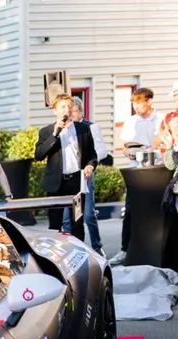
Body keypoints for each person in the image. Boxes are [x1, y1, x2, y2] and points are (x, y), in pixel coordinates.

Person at [112, 87, 167, 264]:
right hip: (136, 171)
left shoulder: (161, 119)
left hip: (158, 171)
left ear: (149, 101)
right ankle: (124, 249)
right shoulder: (131, 121)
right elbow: (125, 147)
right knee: (130, 210)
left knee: (159, 212)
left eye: (139, 102)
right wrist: (130, 153)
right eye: (134, 103)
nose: (136, 107)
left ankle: (162, 251)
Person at [35, 94, 98, 239]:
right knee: (55, 224)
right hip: (56, 182)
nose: (67, 110)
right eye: (63, 107)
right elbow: (39, 155)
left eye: (69, 106)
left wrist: (90, 166)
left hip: (76, 181)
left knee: (77, 222)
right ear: (55, 110)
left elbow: (92, 155)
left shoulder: (82, 129)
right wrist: (55, 134)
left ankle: (80, 255)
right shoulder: (46, 131)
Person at [63, 96, 108, 256]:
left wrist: (90, 163)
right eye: (69, 111)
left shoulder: (91, 127)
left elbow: (101, 151)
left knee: (88, 214)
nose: (71, 114)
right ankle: (71, 248)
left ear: (80, 111)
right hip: (70, 177)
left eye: (74, 111)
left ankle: (97, 247)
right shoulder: (65, 128)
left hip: (85, 175)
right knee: (68, 217)